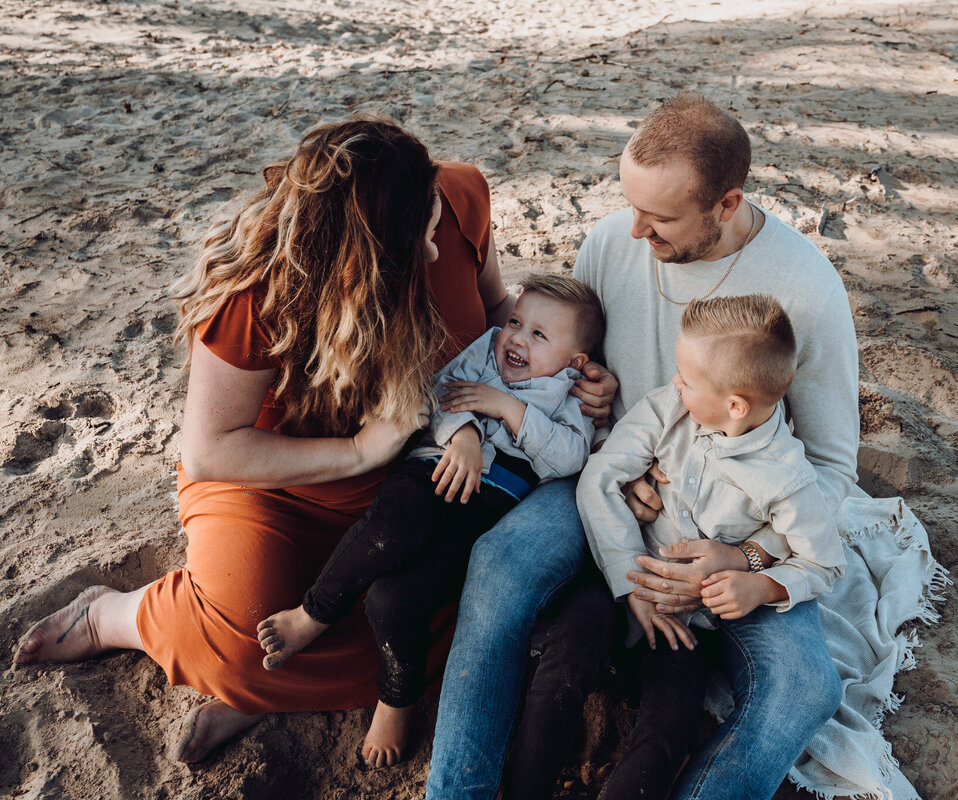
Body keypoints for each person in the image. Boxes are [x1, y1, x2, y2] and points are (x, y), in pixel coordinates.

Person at [10, 117, 618, 765]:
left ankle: (273, 691)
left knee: (419, 593)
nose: (437, 249)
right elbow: (213, 450)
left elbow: (497, 314)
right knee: (246, 640)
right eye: (422, 235)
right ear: (365, 256)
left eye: (437, 216)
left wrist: (569, 384)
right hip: (277, 482)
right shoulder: (255, 293)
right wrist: (359, 452)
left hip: (419, 467)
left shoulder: (459, 197)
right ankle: (111, 616)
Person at [426, 92, 858, 800]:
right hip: (602, 473)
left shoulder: (806, 289)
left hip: (735, 518)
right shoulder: (610, 243)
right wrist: (593, 402)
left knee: (806, 686)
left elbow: (834, 468)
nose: (634, 230)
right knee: (499, 565)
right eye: (630, 205)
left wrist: (744, 555)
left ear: (726, 205)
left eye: (659, 217)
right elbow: (558, 367)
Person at [255, 273, 604, 766]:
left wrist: (506, 406)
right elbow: (440, 392)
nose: (517, 339)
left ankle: (396, 697)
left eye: (539, 336)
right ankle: (314, 613)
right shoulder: (486, 350)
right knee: (393, 527)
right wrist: (462, 435)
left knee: (395, 598)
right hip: (430, 469)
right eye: (516, 323)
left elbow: (569, 458)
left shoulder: (575, 398)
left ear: (575, 362)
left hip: (483, 508)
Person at [572, 294, 847, 799]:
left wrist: (761, 585)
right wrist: (628, 580)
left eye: (687, 378)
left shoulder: (786, 478)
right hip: (624, 591)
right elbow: (600, 478)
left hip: (690, 624)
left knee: (664, 730)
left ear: (735, 406)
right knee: (563, 668)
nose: (675, 383)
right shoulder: (670, 409)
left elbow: (825, 561)